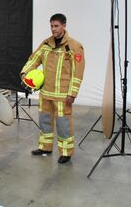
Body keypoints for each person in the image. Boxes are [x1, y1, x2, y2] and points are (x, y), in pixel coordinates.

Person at [20, 13, 85, 164]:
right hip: (46, 93)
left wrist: (73, 93)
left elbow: (78, 73)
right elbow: (34, 59)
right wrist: (24, 72)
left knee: (63, 124)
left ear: (64, 26)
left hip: (63, 95)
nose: (53, 29)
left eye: (56, 26)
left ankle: (66, 152)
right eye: (51, 26)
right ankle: (45, 147)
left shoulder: (74, 47)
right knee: (45, 121)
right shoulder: (46, 44)